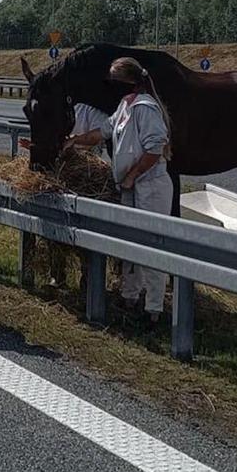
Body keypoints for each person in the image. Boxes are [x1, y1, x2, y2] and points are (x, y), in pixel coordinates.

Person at [63, 57, 172, 324]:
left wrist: (132, 176)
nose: (110, 86)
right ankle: (130, 295)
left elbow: (155, 149)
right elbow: (103, 132)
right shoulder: (124, 106)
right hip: (130, 186)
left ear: (127, 82)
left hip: (150, 186)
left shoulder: (146, 108)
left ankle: (154, 309)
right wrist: (73, 141)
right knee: (129, 245)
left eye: (114, 81)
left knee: (151, 246)